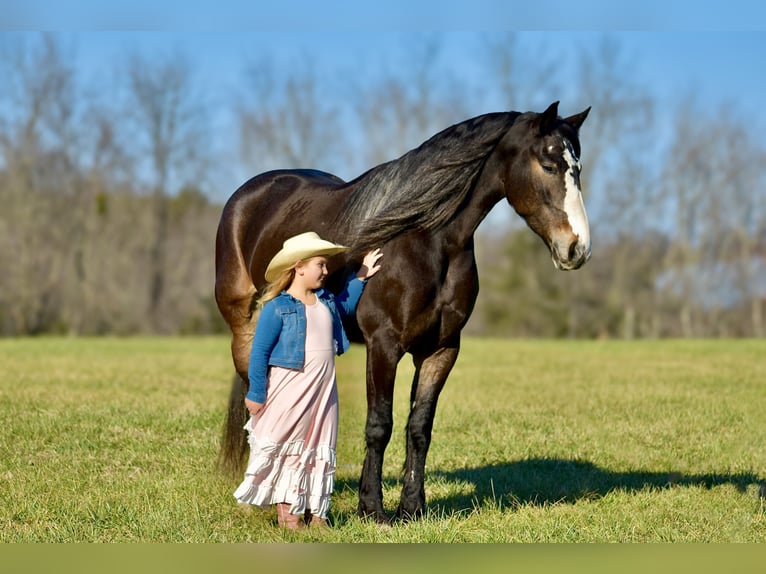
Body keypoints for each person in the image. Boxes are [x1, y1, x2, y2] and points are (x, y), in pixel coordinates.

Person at [233, 231, 382, 530]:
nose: (326, 272)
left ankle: (317, 513)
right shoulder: (277, 308)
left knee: (319, 446)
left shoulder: (325, 302)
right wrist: (257, 392)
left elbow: (345, 306)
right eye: (320, 265)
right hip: (291, 389)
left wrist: (362, 275)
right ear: (299, 267)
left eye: (325, 266)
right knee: (292, 446)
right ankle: (288, 515)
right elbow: (260, 352)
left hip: (324, 389)